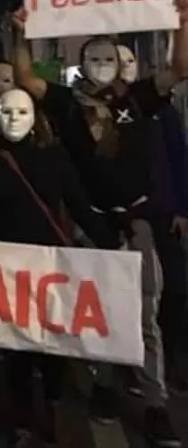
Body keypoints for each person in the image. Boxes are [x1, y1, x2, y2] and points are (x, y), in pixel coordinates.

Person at [10, 0, 188, 447]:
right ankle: (106, 387)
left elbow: (180, 67)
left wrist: (182, 21)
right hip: (91, 226)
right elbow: (26, 80)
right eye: (94, 58)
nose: (103, 65)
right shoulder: (69, 105)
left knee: (146, 311)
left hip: (136, 222)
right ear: (82, 64)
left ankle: (154, 402)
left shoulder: (140, 97)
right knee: (100, 310)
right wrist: (21, 35)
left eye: (110, 58)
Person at [0, 88, 119, 445]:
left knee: (52, 342)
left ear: (35, 117)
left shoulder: (54, 158)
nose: (13, 119)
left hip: (49, 264)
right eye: (6, 111)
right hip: (8, 269)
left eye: (21, 112)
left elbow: (78, 206)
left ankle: (53, 403)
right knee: (18, 348)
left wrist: (111, 244)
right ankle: (25, 418)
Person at [117, 44, 188, 391]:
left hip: (164, 213)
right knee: (134, 295)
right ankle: (132, 368)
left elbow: (178, 158)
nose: (123, 66)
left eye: (129, 59)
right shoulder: (104, 112)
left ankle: (169, 360)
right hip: (130, 217)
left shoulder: (161, 109)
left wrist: (181, 209)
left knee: (174, 287)